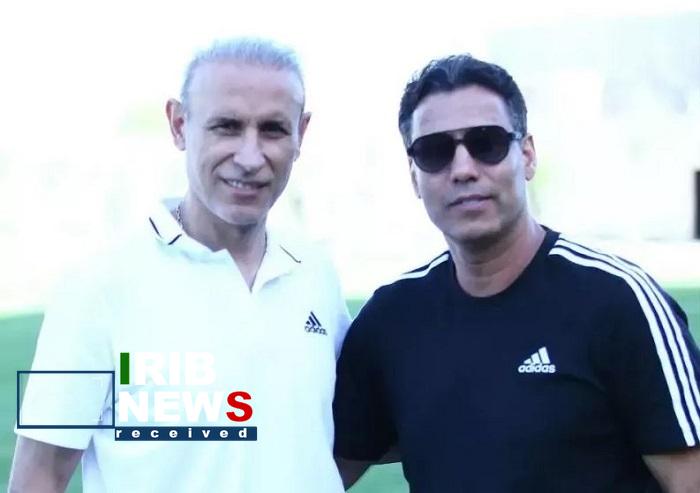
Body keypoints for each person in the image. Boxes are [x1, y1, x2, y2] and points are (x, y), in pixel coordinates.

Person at [333, 54, 700, 492]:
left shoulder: (618, 301)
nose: (463, 169)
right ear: (414, 176)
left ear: (526, 155)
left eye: (486, 143)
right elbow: (316, 467)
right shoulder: (391, 322)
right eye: (435, 151)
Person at [10, 37, 350, 493]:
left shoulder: (315, 274)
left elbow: (323, 443)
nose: (250, 157)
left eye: (273, 130)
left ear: (301, 135)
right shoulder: (95, 286)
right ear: (179, 125)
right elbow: (40, 476)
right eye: (227, 127)